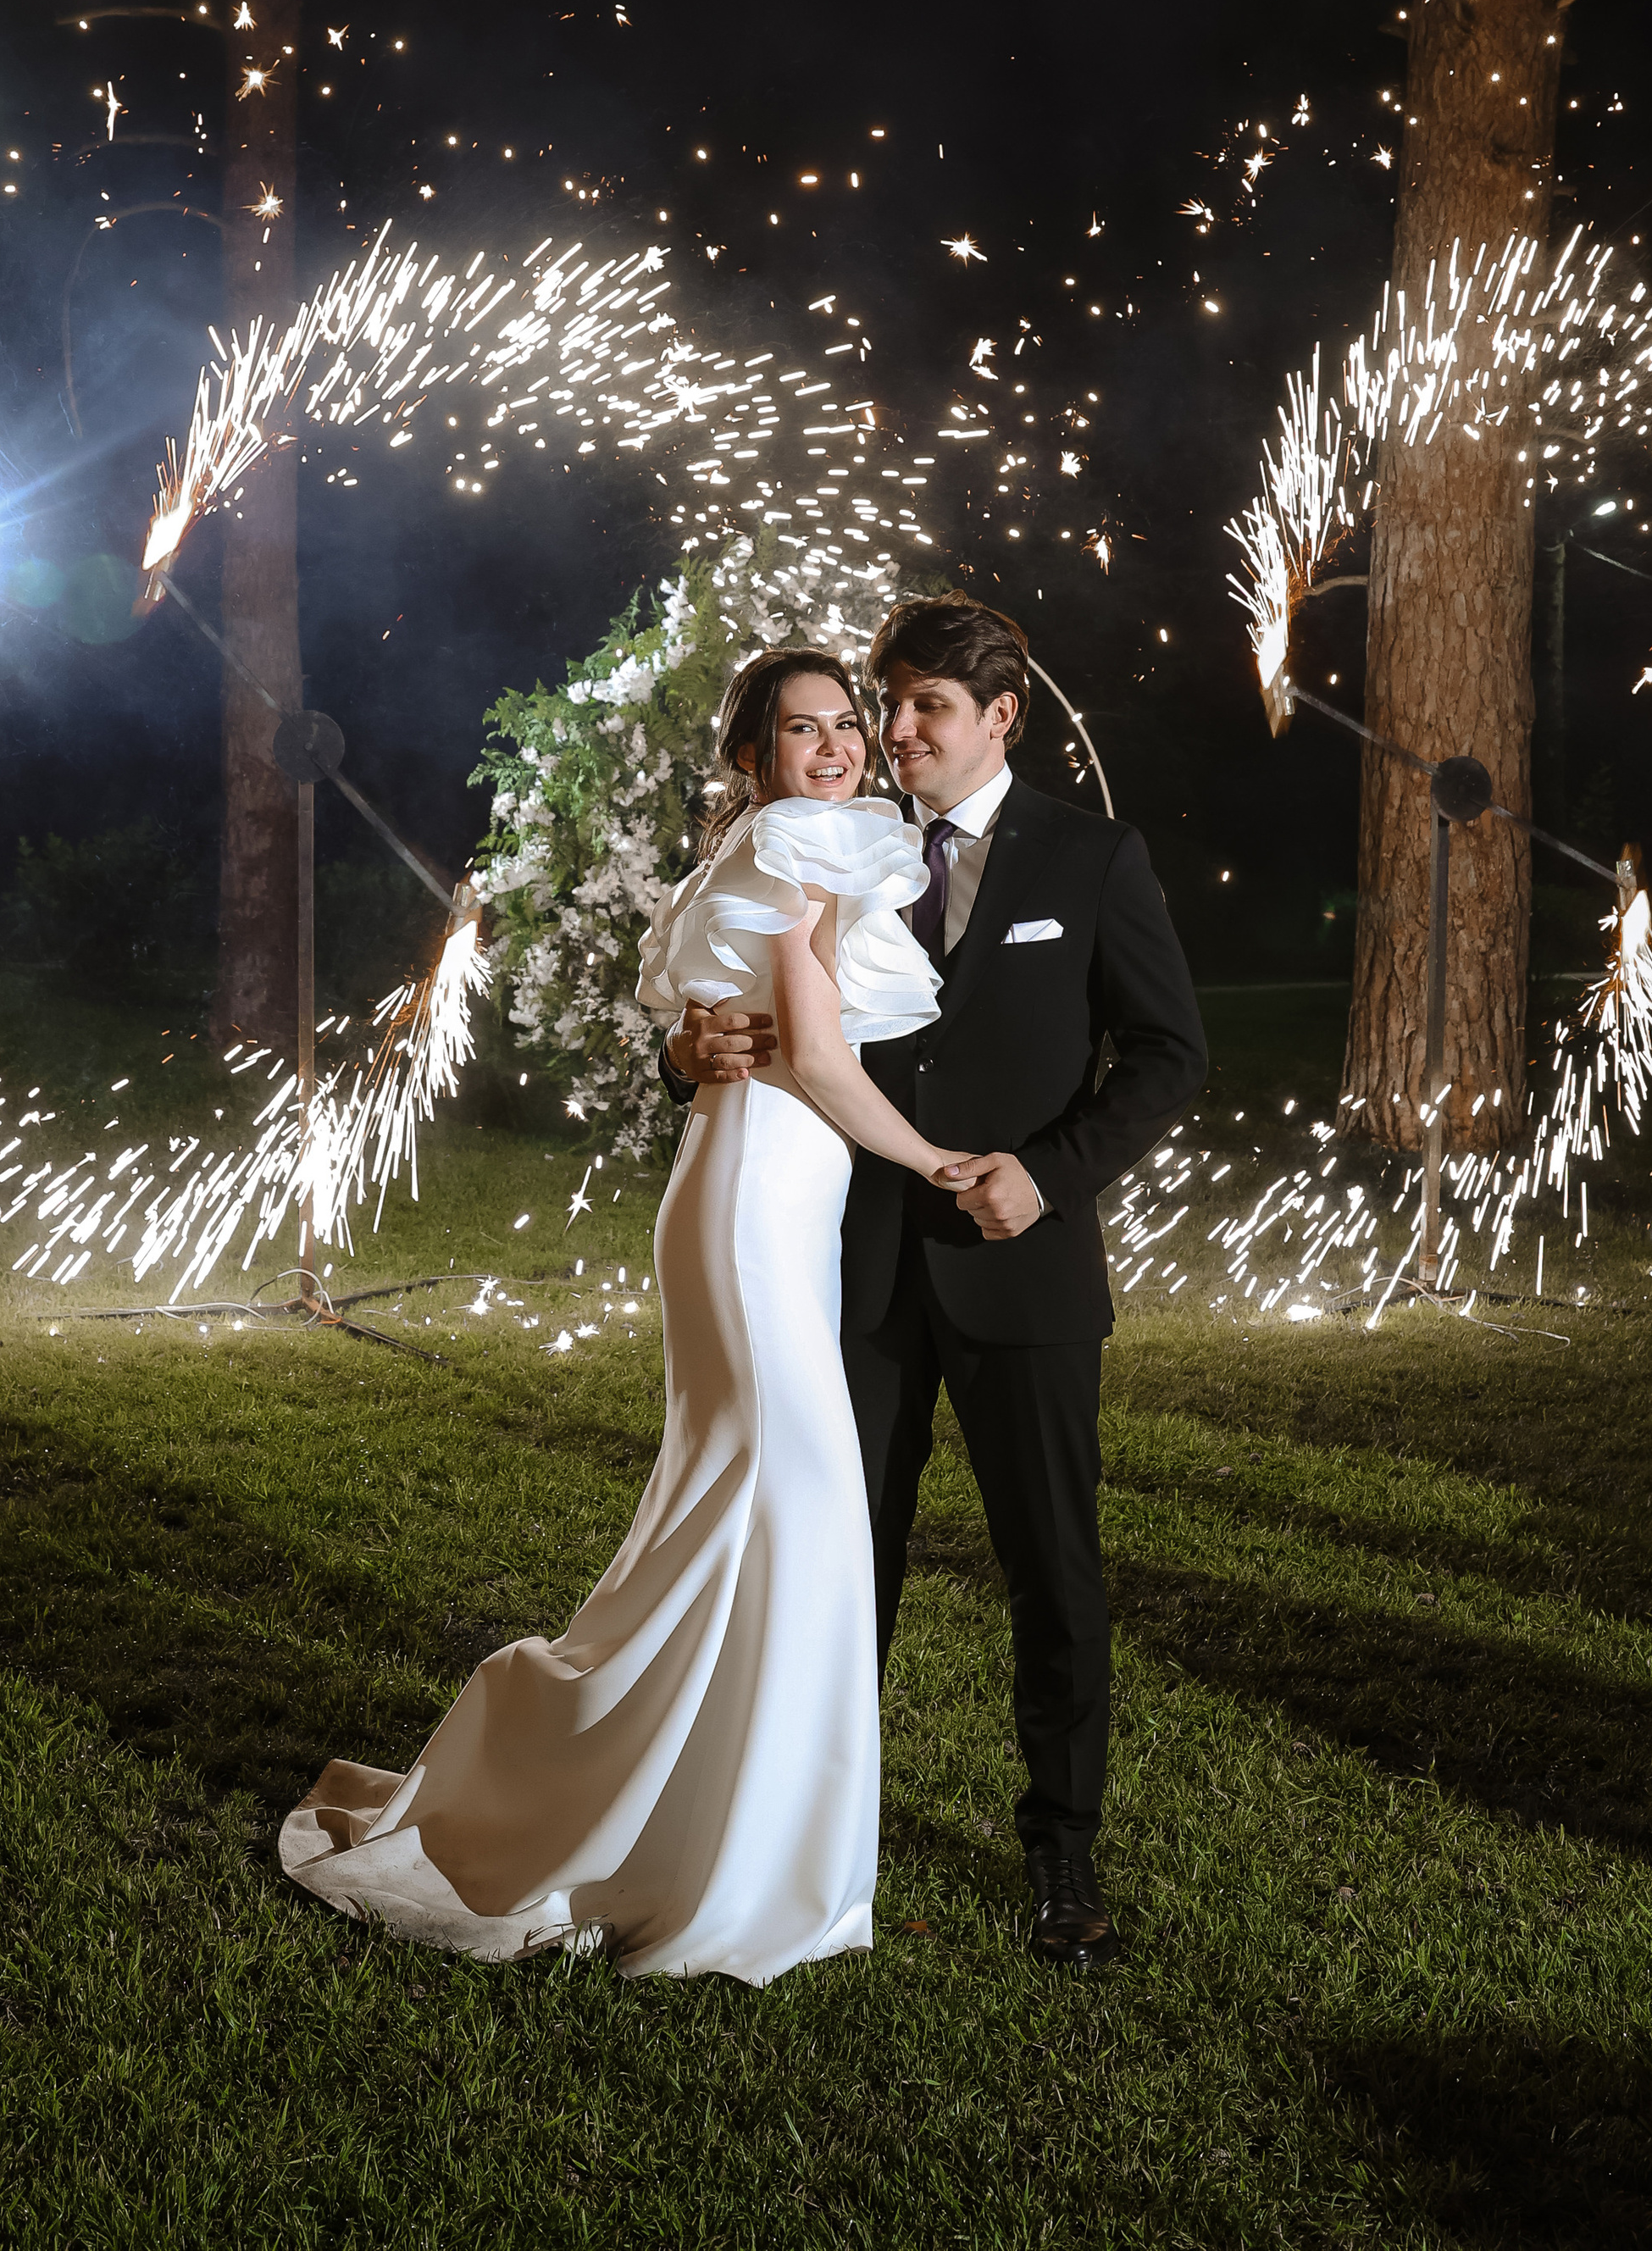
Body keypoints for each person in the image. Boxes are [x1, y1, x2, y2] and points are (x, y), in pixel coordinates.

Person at [279, 647, 978, 1981]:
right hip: (757, 1202)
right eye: (800, 729)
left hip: (767, 1197)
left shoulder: (791, 847)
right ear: (752, 756)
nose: (834, 747)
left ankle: (707, 1827)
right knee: (796, 1500)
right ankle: (727, 1857)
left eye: (846, 726)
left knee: (748, 1513)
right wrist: (947, 1164)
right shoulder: (795, 850)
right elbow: (821, 1058)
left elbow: (766, 1028)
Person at [663, 592, 1206, 1970]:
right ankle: (815, 1832)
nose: (891, 730)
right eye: (881, 705)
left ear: (1001, 719)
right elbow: (769, 1016)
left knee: (1053, 1568)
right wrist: (696, 1045)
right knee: (844, 1557)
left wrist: (1056, 1171)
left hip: (1023, 1271)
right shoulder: (838, 845)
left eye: (921, 709)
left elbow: (1168, 1056)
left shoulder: (1093, 858)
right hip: (854, 1264)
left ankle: (1064, 1859)